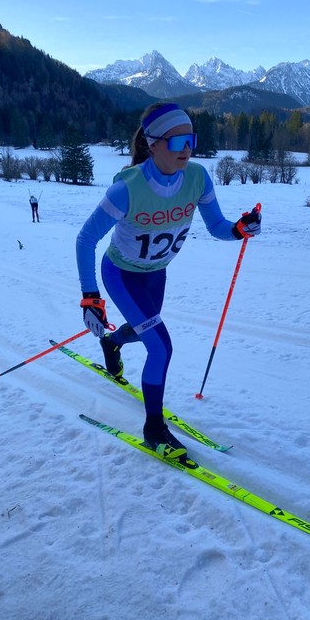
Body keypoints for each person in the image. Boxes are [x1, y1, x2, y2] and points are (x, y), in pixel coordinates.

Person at [76, 102, 261, 462]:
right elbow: (86, 239)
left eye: (191, 140)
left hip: (156, 274)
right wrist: (90, 297)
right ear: (153, 143)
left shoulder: (197, 178)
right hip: (121, 274)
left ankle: (112, 343)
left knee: (144, 331)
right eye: (177, 142)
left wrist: (239, 229)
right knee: (160, 347)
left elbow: (217, 226)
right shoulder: (127, 189)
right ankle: (153, 429)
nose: (186, 149)